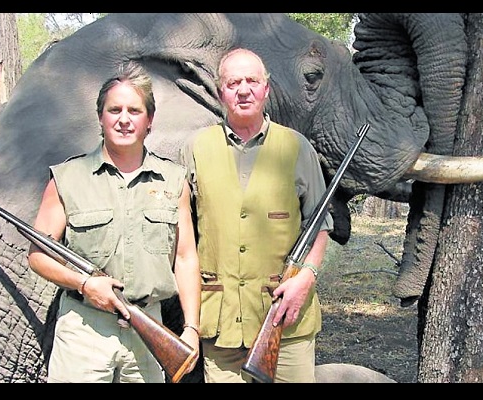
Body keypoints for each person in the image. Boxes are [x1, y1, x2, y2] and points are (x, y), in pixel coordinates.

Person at [27, 60, 201, 383]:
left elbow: (185, 258)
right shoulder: (67, 178)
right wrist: (84, 284)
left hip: (149, 328)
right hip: (84, 329)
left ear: (149, 120)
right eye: (114, 110)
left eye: (134, 111)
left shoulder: (173, 180)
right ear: (100, 117)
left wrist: (191, 327)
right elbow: (38, 256)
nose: (124, 119)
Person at [180, 48, 332, 383]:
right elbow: (182, 236)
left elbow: (321, 224)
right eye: (233, 83)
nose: (243, 90)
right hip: (221, 323)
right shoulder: (195, 148)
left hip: (286, 320)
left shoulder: (297, 147)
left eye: (252, 81)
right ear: (220, 92)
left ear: (266, 88)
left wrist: (306, 276)